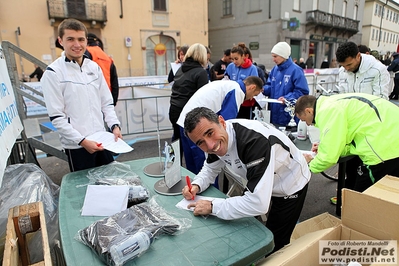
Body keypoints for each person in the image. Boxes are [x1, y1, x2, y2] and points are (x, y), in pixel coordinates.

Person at [182, 107, 311, 252]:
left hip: (290, 181)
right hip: (260, 176)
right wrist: (196, 185)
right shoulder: (218, 139)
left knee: (275, 242)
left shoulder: (253, 141)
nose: (210, 145)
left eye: (210, 133)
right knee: (247, 227)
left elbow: (258, 203)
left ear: (222, 122)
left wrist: (213, 206)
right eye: (201, 143)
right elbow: (210, 168)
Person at [41, 18, 122, 172]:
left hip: (101, 140)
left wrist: (114, 126)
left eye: (81, 39)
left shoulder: (94, 67)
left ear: (86, 41)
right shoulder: (53, 73)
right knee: (85, 191)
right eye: (70, 39)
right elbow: (57, 118)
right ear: (60, 41)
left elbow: (106, 103)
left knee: (111, 182)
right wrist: (82, 141)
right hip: (76, 145)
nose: (77, 45)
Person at [295, 93, 399, 192]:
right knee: (390, 193)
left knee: (362, 197)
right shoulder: (331, 103)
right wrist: (324, 147)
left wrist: (307, 165)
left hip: (385, 147)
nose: (307, 124)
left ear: (309, 111)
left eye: (304, 120)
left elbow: (329, 156)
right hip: (390, 134)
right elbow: (344, 141)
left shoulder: (327, 111)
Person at [176, 76, 264, 174]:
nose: (251, 98)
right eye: (254, 95)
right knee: (207, 164)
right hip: (199, 126)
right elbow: (226, 123)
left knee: (192, 166)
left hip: (185, 122)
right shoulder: (237, 90)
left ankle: (193, 187)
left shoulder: (227, 85)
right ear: (252, 87)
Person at [169, 43, 209, 156]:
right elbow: (203, 97)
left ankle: (174, 168)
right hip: (188, 112)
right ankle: (192, 172)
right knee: (193, 146)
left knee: (177, 141)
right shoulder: (200, 72)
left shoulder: (181, 69)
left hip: (174, 109)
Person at [262, 41, 309, 127]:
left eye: (275, 56)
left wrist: (287, 99)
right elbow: (270, 86)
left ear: (283, 55)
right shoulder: (274, 70)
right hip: (274, 114)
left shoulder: (296, 70)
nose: (273, 59)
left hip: (288, 115)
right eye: (273, 56)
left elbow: (302, 91)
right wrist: (263, 89)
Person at [85, 33, 119, 106]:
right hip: (106, 98)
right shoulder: (107, 57)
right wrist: (113, 102)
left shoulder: (85, 54)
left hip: (92, 99)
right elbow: (114, 82)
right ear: (97, 42)